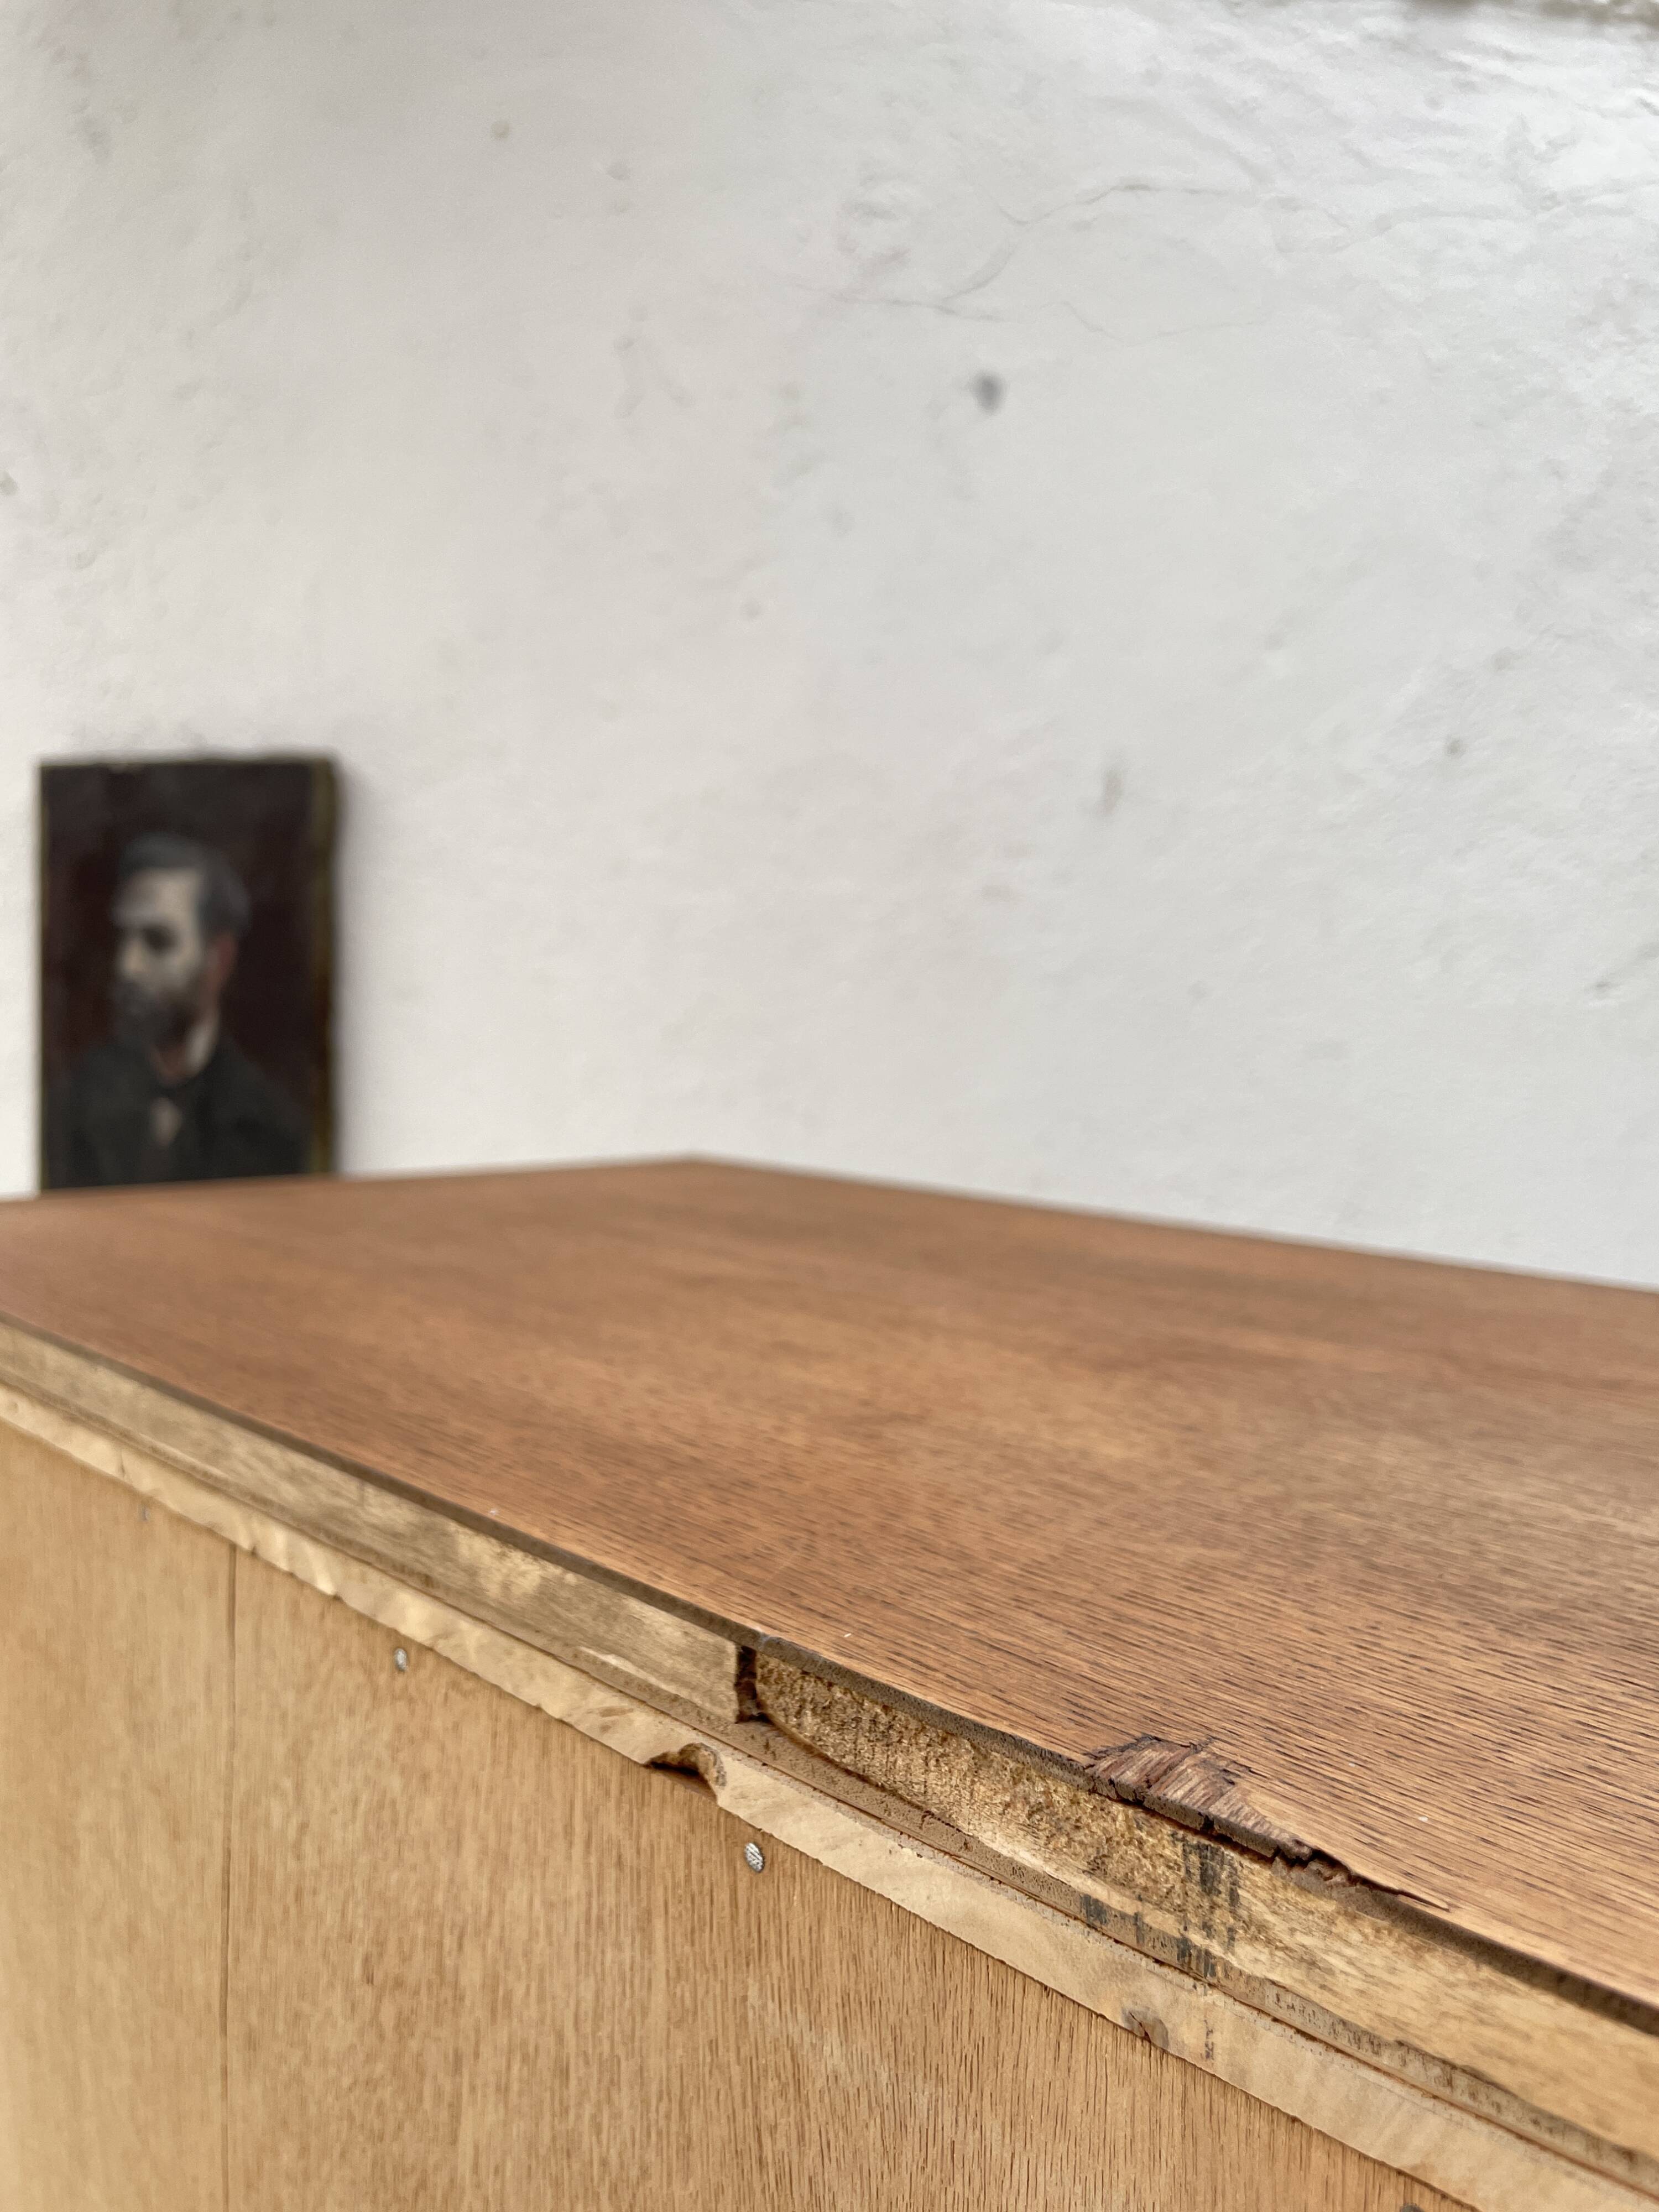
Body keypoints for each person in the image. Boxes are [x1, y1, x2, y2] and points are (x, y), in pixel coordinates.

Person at [46, 832, 308, 1188]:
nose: (127, 966)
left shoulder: (271, 1125)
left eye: (157, 941)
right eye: (125, 938)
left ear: (219, 960)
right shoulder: (75, 1104)